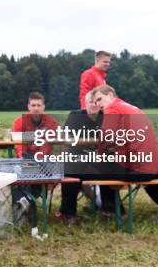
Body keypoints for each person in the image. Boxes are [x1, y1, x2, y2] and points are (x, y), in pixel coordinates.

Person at [86, 85, 158, 215]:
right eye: (95, 102)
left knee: (94, 166)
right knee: (105, 164)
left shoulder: (112, 108)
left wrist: (98, 153)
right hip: (153, 166)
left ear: (110, 95)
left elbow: (105, 138)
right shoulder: (131, 107)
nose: (98, 104)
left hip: (139, 169)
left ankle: (112, 210)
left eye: (99, 99)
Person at [11, 92, 59, 239]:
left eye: (39, 105)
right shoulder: (19, 121)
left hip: (44, 161)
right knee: (17, 172)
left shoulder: (52, 123)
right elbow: (18, 145)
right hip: (25, 159)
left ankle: (23, 203)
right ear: (28, 107)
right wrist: (23, 158)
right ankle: (23, 204)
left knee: (43, 173)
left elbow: (50, 145)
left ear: (43, 107)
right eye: (33, 105)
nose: (36, 108)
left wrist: (40, 158)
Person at [55, 90, 103, 222]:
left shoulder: (107, 117)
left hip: (100, 160)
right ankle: (69, 214)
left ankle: (108, 207)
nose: (94, 105)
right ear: (84, 104)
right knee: (71, 169)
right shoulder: (75, 116)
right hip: (79, 158)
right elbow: (67, 140)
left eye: (97, 102)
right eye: (90, 102)